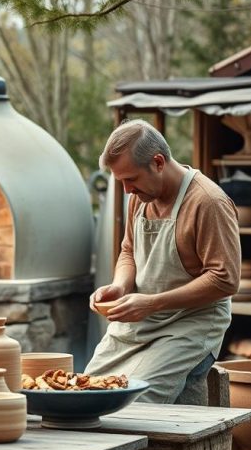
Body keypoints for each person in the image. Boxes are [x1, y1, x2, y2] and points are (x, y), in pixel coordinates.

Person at [86, 119, 240, 404]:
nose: (126, 190)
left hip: (191, 323)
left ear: (158, 162)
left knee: (136, 400)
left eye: (130, 179)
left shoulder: (208, 202)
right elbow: (128, 251)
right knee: (89, 392)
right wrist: (120, 286)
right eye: (120, 181)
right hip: (142, 319)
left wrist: (151, 303)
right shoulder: (140, 197)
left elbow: (225, 279)